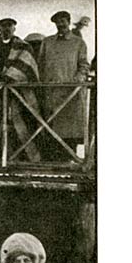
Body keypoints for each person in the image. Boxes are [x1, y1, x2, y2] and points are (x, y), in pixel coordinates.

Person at [38, 10, 91, 156]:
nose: (60, 25)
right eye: (57, 22)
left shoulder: (78, 43)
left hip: (70, 94)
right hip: (51, 92)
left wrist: (78, 79)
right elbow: (40, 65)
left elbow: (84, 65)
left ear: (68, 22)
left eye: (63, 21)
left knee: (69, 130)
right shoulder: (47, 42)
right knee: (50, 127)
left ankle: (69, 157)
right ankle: (51, 160)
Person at [0, 18, 42, 161]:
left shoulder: (23, 47)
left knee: (21, 125)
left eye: (9, 26)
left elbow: (25, 66)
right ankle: (1, 156)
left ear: (14, 28)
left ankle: (24, 157)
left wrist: (8, 78)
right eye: (3, 27)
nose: (6, 29)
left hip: (18, 94)